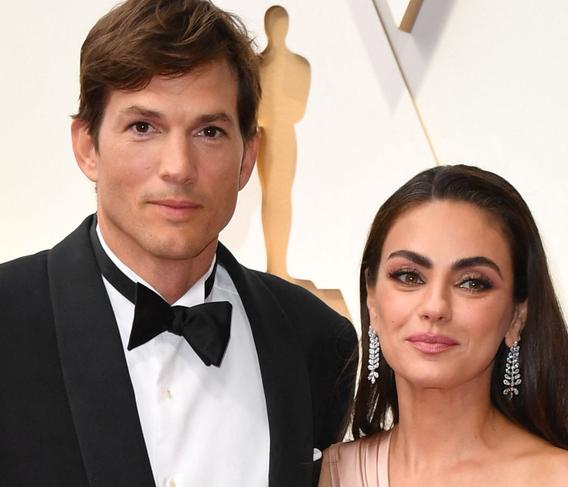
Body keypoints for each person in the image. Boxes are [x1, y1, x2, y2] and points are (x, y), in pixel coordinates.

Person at [0, 1, 357, 486]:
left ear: (247, 159)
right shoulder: (9, 318)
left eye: (209, 132)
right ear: (87, 146)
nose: (179, 167)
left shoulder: (318, 343)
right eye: (143, 127)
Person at [319, 165, 568, 486]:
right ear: (372, 299)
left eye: (472, 283)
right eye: (409, 276)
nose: (435, 307)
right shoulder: (329, 474)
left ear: (517, 313)